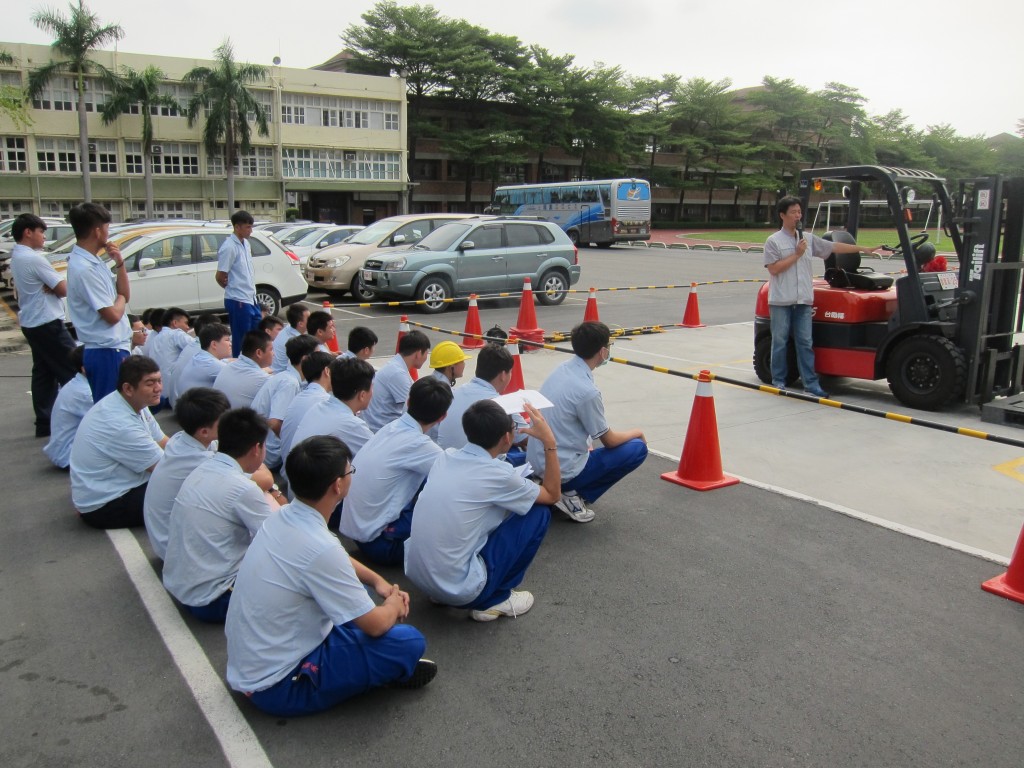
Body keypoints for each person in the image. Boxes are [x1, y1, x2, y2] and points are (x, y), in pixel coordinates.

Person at [225, 435, 436, 717]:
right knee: (408, 641)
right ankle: (383, 670)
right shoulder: (319, 547)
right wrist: (393, 605)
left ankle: (377, 665)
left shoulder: (284, 515)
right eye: (350, 472)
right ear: (338, 485)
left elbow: (332, 555)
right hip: (280, 685)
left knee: (359, 620)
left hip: (253, 661)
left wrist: (377, 581)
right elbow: (374, 624)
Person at [405, 400, 558, 622]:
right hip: (459, 589)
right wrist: (549, 441)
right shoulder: (498, 475)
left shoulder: (445, 457)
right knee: (539, 513)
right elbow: (553, 495)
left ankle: (442, 591)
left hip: (418, 576)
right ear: (507, 438)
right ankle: (496, 598)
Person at [525, 321, 648, 524]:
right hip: (561, 468)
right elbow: (609, 440)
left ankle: (563, 490)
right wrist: (637, 432)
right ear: (602, 352)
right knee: (636, 448)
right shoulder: (587, 391)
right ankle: (571, 494)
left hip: (537, 462)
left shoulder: (562, 369)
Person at [163, 408, 277, 623]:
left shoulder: (203, 468)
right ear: (256, 449)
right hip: (213, 599)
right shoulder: (243, 488)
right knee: (297, 588)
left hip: (183, 586)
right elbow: (280, 544)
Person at [765, 196, 884, 397]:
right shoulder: (773, 241)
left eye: (800, 212)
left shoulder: (808, 239)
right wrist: (796, 254)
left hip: (803, 300)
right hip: (781, 301)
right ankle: (778, 381)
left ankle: (811, 384)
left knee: (805, 342)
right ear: (782, 215)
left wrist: (862, 248)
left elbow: (833, 247)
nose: (798, 216)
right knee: (780, 341)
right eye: (793, 212)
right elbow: (774, 269)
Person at [339, 377, 451, 566]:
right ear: (442, 417)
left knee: (428, 479)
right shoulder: (419, 444)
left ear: (408, 402)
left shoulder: (390, 428)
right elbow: (457, 478)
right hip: (380, 544)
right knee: (452, 501)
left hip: (357, 531)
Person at [69, 356, 165, 529]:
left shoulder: (132, 403)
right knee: (191, 495)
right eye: (150, 383)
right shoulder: (119, 423)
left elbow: (164, 442)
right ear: (128, 388)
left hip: (114, 489)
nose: (158, 388)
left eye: (159, 381)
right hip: (107, 506)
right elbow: (167, 470)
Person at [9, 213, 78, 436]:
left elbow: (55, 286)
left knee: (43, 372)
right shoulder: (33, 258)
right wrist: (56, 285)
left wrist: (53, 285)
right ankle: (77, 417)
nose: (44, 238)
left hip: (32, 321)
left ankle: (44, 422)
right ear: (28, 232)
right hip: (47, 322)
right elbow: (63, 289)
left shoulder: (17, 256)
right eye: (41, 232)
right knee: (73, 367)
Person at [143, 387, 230, 561]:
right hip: (176, 552)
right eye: (225, 422)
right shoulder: (196, 460)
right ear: (204, 431)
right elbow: (259, 478)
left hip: (167, 538)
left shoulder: (182, 439)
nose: (231, 424)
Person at [66, 203, 132, 400]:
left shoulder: (93, 261)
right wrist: (120, 298)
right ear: (97, 231)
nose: (108, 233)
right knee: (112, 409)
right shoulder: (84, 268)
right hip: (105, 351)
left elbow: (124, 295)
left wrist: (119, 263)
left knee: (121, 407)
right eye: (106, 228)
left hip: (112, 348)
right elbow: (112, 314)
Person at [250, 334, 319, 471]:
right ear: (305, 359)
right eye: (318, 356)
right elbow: (275, 423)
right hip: (269, 456)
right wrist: (291, 443)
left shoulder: (288, 377)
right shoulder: (289, 383)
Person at [291, 357, 375, 463]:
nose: (373, 392)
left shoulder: (318, 407)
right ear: (362, 395)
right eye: (372, 387)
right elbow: (378, 457)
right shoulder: (352, 425)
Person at [437, 343, 514, 450]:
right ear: (503, 375)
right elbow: (525, 438)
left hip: (445, 458)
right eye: (510, 372)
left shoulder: (452, 394)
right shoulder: (503, 404)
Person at [363, 330, 431, 432]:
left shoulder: (396, 366)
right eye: (426, 352)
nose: (427, 357)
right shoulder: (397, 374)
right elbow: (415, 410)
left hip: (378, 426)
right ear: (418, 354)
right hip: (381, 431)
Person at [215, 210, 260, 358]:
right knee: (241, 339)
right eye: (247, 227)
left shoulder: (246, 244)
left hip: (250, 296)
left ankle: (253, 365)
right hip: (238, 298)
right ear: (237, 227)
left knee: (254, 337)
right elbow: (220, 275)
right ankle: (239, 368)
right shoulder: (229, 247)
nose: (250, 231)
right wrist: (233, 289)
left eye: (251, 227)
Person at [278, 350, 334, 465]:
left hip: (289, 466)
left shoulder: (301, 396)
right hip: (303, 468)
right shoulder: (324, 401)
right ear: (327, 371)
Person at [43, 345, 92, 469]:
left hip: (66, 450)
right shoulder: (85, 393)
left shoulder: (79, 383)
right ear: (85, 369)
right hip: (69, 455)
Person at [167, 313, 219, 406]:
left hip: (177, 402)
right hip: (188, 408)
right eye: (226, 339)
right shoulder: (204, 351)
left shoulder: (193, 345)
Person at [213, 329, 272, 409]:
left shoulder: (228, 367)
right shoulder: (264, 379)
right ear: (259, 353)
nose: (273, 353)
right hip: (235, 420)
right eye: (271, 349)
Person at [175, 322, 232, 395]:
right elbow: (239, 376)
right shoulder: (211, 364)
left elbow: (223, 363)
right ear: (214, 344)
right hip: (196, 405)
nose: (230, 343)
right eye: (227, 340)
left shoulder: (200, 357)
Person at [270, 304, 309, 373]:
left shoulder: (288, 328)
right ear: (300, 324)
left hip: (275, 371)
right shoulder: (296, 341)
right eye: (309, 318)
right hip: (282, 375)